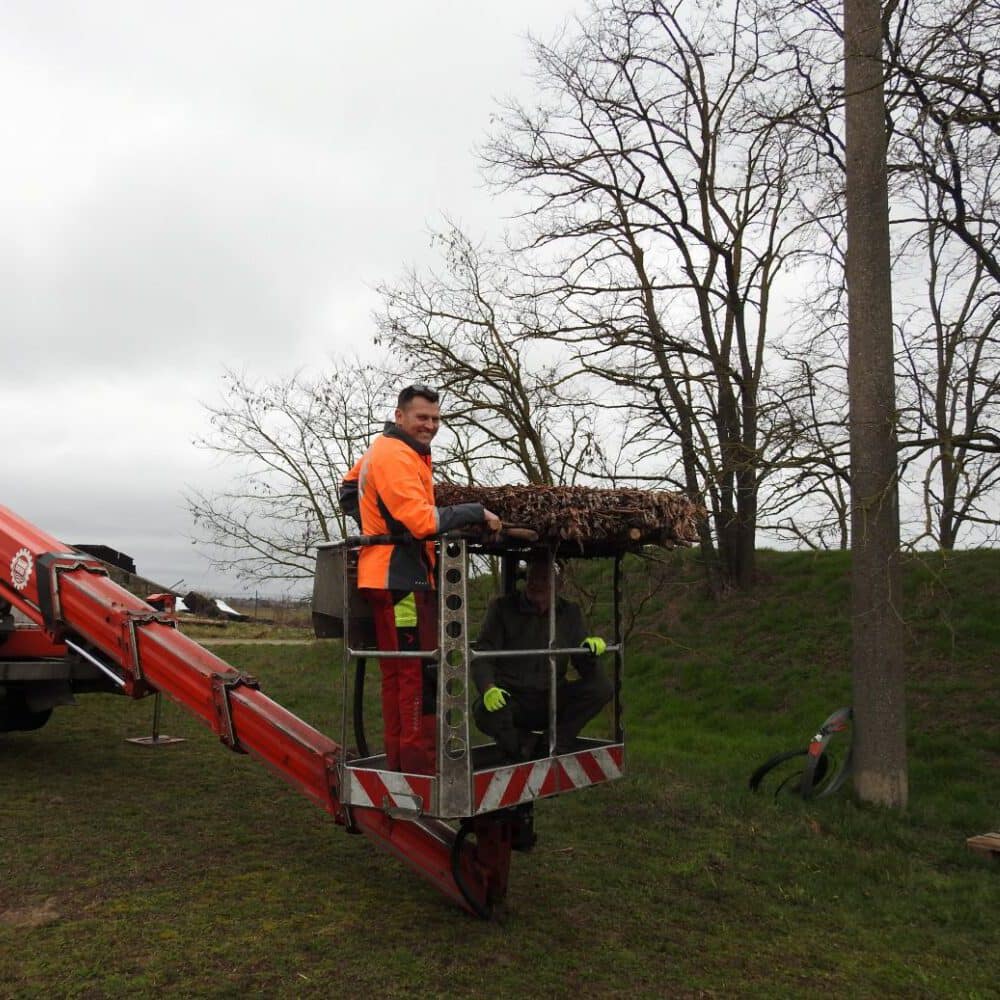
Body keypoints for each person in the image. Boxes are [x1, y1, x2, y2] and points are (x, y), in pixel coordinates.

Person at [339, 383, 501, 774]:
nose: (429, 425)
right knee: (416, 677)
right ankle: (418, 773)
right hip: (401, 584)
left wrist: (376, 528)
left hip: (389, 577)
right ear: (400, 416)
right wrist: (477, 511)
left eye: (435, 419)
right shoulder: (395, 454)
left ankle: (401, 765)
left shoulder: (391, 449)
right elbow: (421, 521)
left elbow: (348, 489)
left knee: (399, 676)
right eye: (421, 418)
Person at [472, 556, 613, 763]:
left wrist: (589, 652)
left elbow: (584, 665)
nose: (535, 584)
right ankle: (522, 746)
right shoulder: (502, 608)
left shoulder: (569, 612)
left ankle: (554, 742)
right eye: (531, 578)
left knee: (603, 688)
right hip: (514, 697)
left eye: (543, 579)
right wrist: (488, 688)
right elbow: (483, 653)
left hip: (552, 696)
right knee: (483, 712)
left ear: (558, 584)